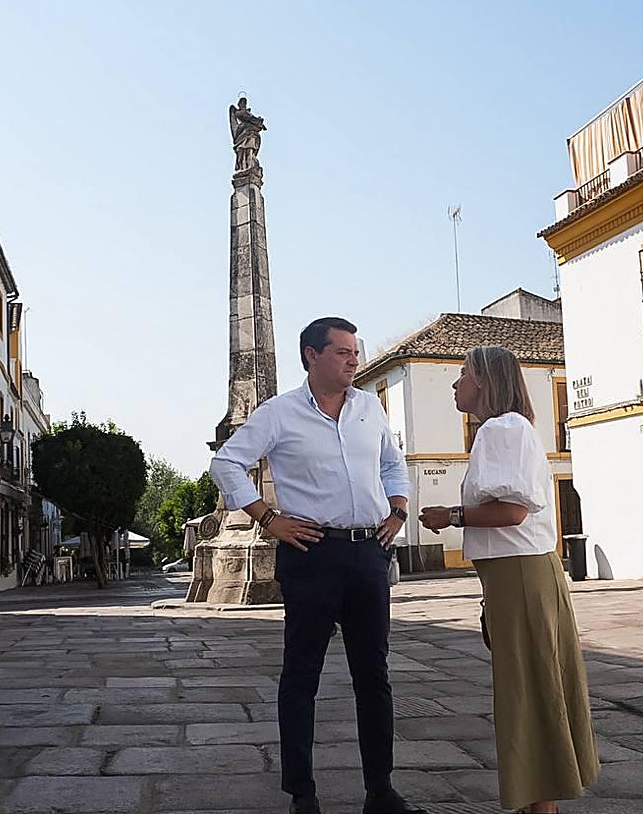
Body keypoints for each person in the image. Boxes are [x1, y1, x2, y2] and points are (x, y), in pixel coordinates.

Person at [210, 317, 424, 814]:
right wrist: (267, 518)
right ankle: (302, 794)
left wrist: (397, 509)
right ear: (312, 355)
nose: (354, 359)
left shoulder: (370, 408)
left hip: (369, 553)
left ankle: (381, 790)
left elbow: (393, 462)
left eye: (356, 351)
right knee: (301, 675)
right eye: (344, 351)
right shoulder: (279, 414)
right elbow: (226, 462)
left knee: (373, 674)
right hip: (311, 554)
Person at [419, 346, 599, 814]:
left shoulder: (501, 429)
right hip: (518, 576)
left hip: (520, 576)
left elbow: (512, 511)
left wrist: (450, 515)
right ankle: (541, 800)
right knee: (536, 686)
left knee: (529, 690)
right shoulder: (507, 430)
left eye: (463, 374)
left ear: (484, 381)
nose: (455, 384)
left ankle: (540, 805)